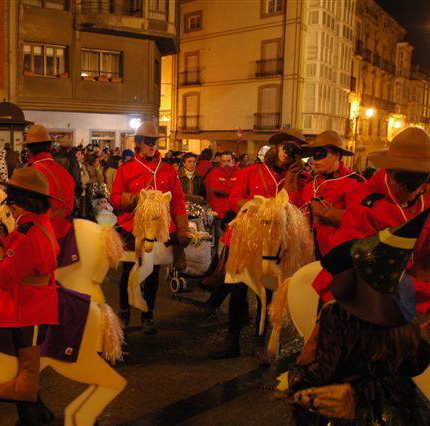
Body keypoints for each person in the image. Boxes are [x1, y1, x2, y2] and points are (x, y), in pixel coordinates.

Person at [287, 211, 430, 425]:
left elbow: (321, 374)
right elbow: (415, 366)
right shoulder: (404, 317)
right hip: (402, 408)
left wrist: (298, 370)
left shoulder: (338, 315)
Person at [207, 129, 310, 361]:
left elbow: (296, 211)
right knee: (238, 290)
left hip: (276, 247)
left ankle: (259, 341)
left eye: (295, 151)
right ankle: (231, 340)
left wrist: (292, 182)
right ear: (276, 147)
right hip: (247, 240)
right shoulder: (252, 171)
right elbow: (235, 198)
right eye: (286, 148)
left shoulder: (301, 179)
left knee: (271, 294)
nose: (289, 155)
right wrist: (255, 208)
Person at [0, 167, 59, 402]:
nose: (9, 204)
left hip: (31, 299)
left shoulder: (29, 234)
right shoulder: (36, 223)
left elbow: (5, 276)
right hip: (36, 289)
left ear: (24, 201)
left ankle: (26, 383)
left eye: (13, 199)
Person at [312, 127, 430, 312]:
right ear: (389, 172)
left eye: (420, 179)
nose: (412, 190)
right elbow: (358, 268)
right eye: (404, 182)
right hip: (365, 286)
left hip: (411, 288)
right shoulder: (364, 201)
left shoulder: (424, 196)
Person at [109, 121, 191, 334]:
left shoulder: (168, 171)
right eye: (148, 141)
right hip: (131, 226)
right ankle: (124, 312)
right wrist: (134, 198)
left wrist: (182, 228)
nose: (152, 145)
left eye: (154, 142)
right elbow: (115, 199)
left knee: (153, 273)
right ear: (138, 143)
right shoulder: (126, 169)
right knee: (128, 272)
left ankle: (149, 314)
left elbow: (178, 202)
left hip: (160, 229)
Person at [298, 131, 364, 258]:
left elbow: (362, 223)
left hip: (338, 259)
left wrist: (326, 214)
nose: (315, 160)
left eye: (321, 154)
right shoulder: (310, 185)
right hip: (306, 257)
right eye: (314, 155)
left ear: (337, 155)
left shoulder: (355, 184)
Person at [21, 124, 77, 267]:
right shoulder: (63, 171)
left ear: (29, 150)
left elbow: (26, 211)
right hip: (66, 231)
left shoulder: (32, 173)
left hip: (43, 235)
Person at [203, 151, 237, 233]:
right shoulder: (214, 172)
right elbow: (217, 189)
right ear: (220, 162)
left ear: (233, 161)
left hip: (235, 211)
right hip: (220, 211)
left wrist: (226, 188)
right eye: (223, 161)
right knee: (220, 237)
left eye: (228, 161)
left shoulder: (240, 172)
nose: (226, 163)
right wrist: (233, 189)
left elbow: (241, 189)